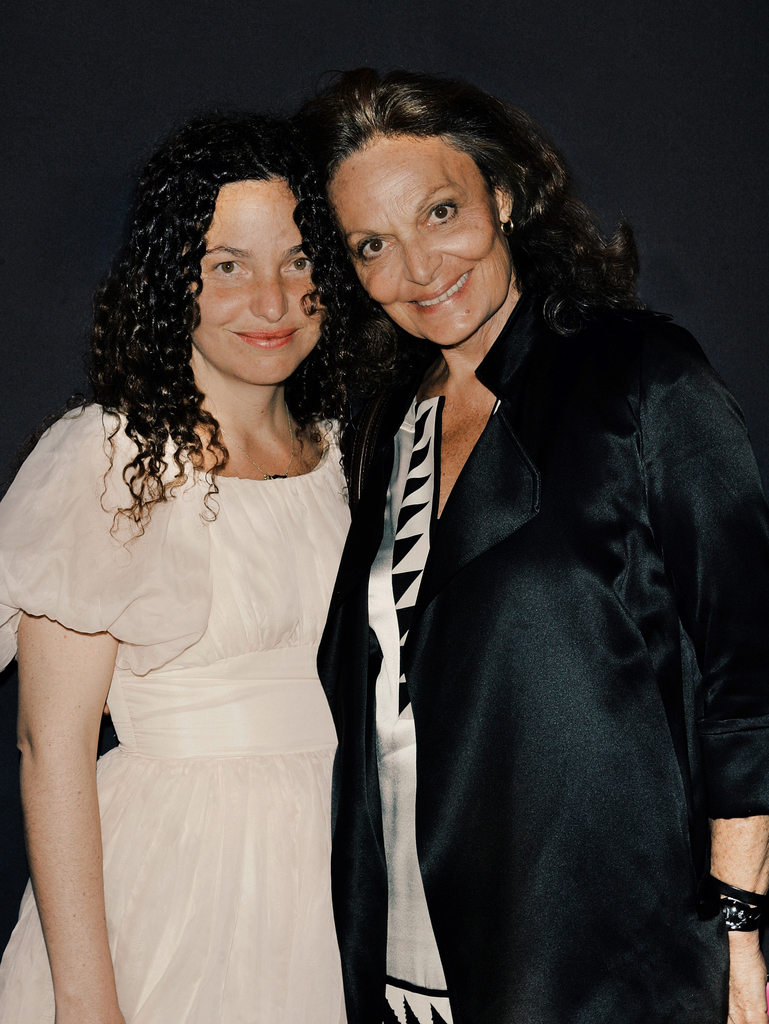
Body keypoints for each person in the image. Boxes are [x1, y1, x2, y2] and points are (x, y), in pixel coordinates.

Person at [297, 68, 769, 1024]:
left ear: (504, 195)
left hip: (604, 957)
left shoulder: (640, 380)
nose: (418, 269)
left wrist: (738, 923)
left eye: (439, 212)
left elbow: (749, 671)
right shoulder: (387, 425)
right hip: (408, 955)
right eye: (372, 245)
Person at [0, 113, 350, 1023]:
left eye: (298, 261)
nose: (272, 302)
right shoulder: (108, 461)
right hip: (178, 888)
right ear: (171, 280)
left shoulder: (354, 458)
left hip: (344, 874)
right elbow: (51, 745)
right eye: (227, 266)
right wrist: (87, 1002)